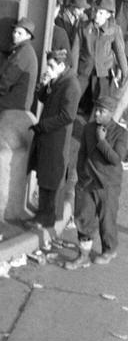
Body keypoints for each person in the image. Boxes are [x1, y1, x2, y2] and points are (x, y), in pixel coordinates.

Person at [66, 93, 128, 268]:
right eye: (97, 110)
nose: (97, 114)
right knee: (84, 218)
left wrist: (102, 141)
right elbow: (82, 154)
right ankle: (83, 255)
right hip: (87, 182)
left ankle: (109, 250)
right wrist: (81, 174)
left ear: (111, 113)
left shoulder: (121, 134)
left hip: (108, 186)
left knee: (106, 220)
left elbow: (116, 158)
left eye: (102, 111)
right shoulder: (88, 129)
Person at [29, 49, 82, 251]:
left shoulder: (71, 85)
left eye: (51, 66)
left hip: (56, 138)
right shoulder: (57, 80)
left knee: (51, 176)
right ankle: (41, 214)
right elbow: (43, 98)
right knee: (43, 173)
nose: (48, 69)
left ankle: (47, 217)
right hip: (48, 135)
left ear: (62, 66)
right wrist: (44, 84)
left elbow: (67, 115)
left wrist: (43, 126)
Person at [76, 0, 128, 114]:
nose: (96, 15)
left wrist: (125, 73)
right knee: (73, 99)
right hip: (83, 72)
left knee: (101, 105)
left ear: (108, 15)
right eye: (95, 11)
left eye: (100, 13)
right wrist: (73, 73)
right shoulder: (83, 27)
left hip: (103, 74)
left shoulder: (114, 30)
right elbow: (75, 51)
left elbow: (120, 53)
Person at [0, 18, 40, 117]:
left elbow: (8, 78)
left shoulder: (23, 52)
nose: (15, 35)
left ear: (28, 36)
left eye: (19, 33)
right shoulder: (23, 50)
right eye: (14, 31)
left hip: (14, 104)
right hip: (17, 103)